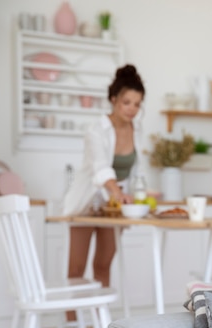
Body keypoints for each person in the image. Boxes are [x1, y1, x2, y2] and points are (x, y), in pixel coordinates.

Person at [62, 64, 145, 289]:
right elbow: (101, 168)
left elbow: (136, 170)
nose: (132, 109)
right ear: (113, 99)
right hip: (86, 204)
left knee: (103, 264)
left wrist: (140, 193)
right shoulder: (96, 130)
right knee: (76, 269)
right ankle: (74, 324)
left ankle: (99, 324)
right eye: (127, 102)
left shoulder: (137, 131)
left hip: (113, 207)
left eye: (137, 104)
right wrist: (117, 192)